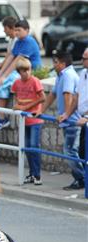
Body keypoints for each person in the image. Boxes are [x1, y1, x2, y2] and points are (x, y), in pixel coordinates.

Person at [38, 51, 84, 190]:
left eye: (56, 62)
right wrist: (41, 110)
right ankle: (81, 178)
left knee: (70, 151)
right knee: (71, 151)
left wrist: (66, 114)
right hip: (68, 120)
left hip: (72, 121)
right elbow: (52, 94)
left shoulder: (68, 75)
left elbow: (68, 95)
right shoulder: (61, 75)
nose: (54, 65)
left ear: (63, 63)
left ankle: (81, 178)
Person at [11, 58, 45, 185]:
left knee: (33, 147)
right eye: (22, 71)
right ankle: (31, 174)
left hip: (35, 120)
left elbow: (42, 97)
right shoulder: (16, 83)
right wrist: (18, 106)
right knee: (26, 147)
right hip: (24, 121)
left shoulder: (35, 81)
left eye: (27, 70)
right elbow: (16, 98)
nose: (25, 73)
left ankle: (37, 175)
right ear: (19, 71)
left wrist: (26, 107)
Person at [75, 48, 88, 168]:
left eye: (84, 58)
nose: (81, 60)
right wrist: (67, 114)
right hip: (83, 119)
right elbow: (77, 95)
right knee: (82, 153)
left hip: (86, 119)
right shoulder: (83, 73)